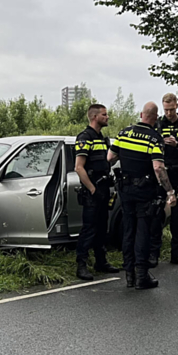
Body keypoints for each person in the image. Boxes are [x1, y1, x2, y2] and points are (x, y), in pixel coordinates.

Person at [108, 102, 177, 290]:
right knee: (142, 232)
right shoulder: (154, 138)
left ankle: (129, 275)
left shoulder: (124, 133)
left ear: (141, 114)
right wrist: (170, 191)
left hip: (125, 190)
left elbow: (110, 158)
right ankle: (141, 276)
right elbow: (158, 167)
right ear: (155, 118)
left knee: (128, 230)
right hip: (144, 192)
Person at [74, 104, 120, 281]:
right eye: (104, 114)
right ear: (94, 117)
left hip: (103, 189)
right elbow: (79, 168)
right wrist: (92, 189)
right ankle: (81, 265)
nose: (107, 117)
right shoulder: (85, 137)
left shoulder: (102, 138)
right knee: (89, 229)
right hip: (92, 191)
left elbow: (105, 162)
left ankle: (101, 262)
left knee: (102, 228)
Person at [150, 93, 178, 266]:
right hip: (161, 174)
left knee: (177, 216)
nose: (168, 113)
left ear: (177, 105)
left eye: (171, 109)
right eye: (165, 110)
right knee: (157, 213)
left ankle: (177, 252)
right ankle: (153, 253)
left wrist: (177, 145)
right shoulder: (158, 124)